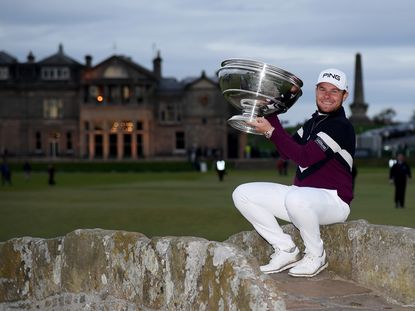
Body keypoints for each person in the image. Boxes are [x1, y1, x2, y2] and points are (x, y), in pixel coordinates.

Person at [232, 68, 355, 278]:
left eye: (334, 91)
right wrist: (272, 113)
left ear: (344, 96)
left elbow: (304, 157)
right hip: (302, 199)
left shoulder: (341, 126)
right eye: (323, 89)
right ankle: (286, 250)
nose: (327, 95)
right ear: (316, 91)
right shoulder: (313, 123)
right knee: (242, 193)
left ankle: (316, 255)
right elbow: (286, 150)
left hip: (333, 202)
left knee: (297, 196)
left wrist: (270, 131)